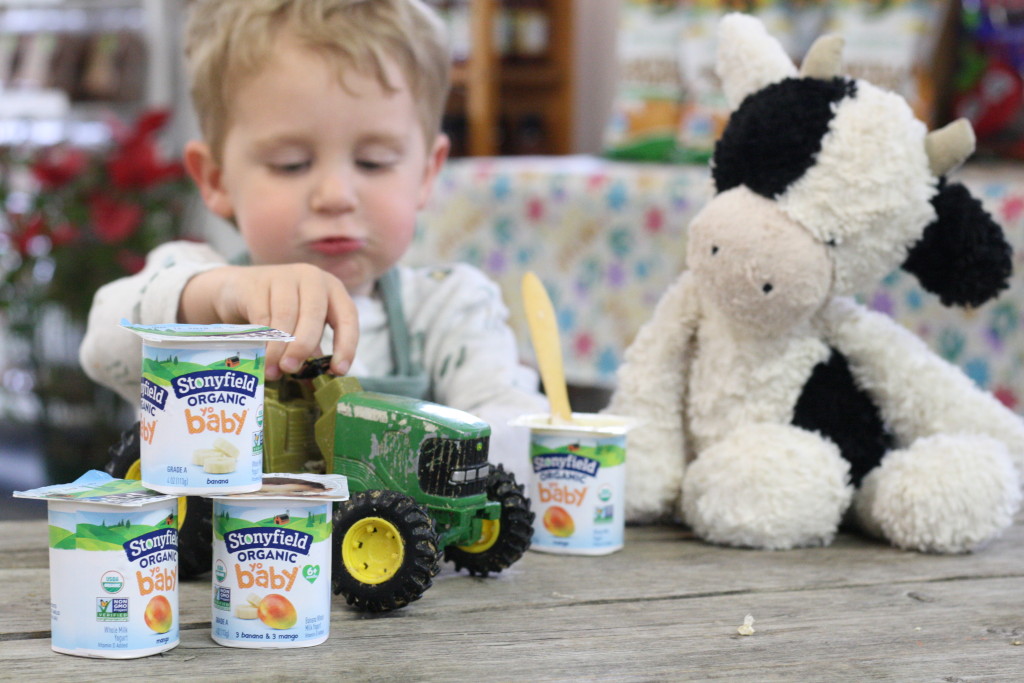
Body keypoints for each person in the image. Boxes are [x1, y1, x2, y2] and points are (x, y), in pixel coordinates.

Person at [79, 0, 547, 484]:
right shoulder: (194, 280)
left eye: (374, 161)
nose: (336, 196)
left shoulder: (450, 310)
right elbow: (103, 344)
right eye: (291, 164)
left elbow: (513, 441)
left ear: (426, 173)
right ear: (216, 178)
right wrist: (217, 296)